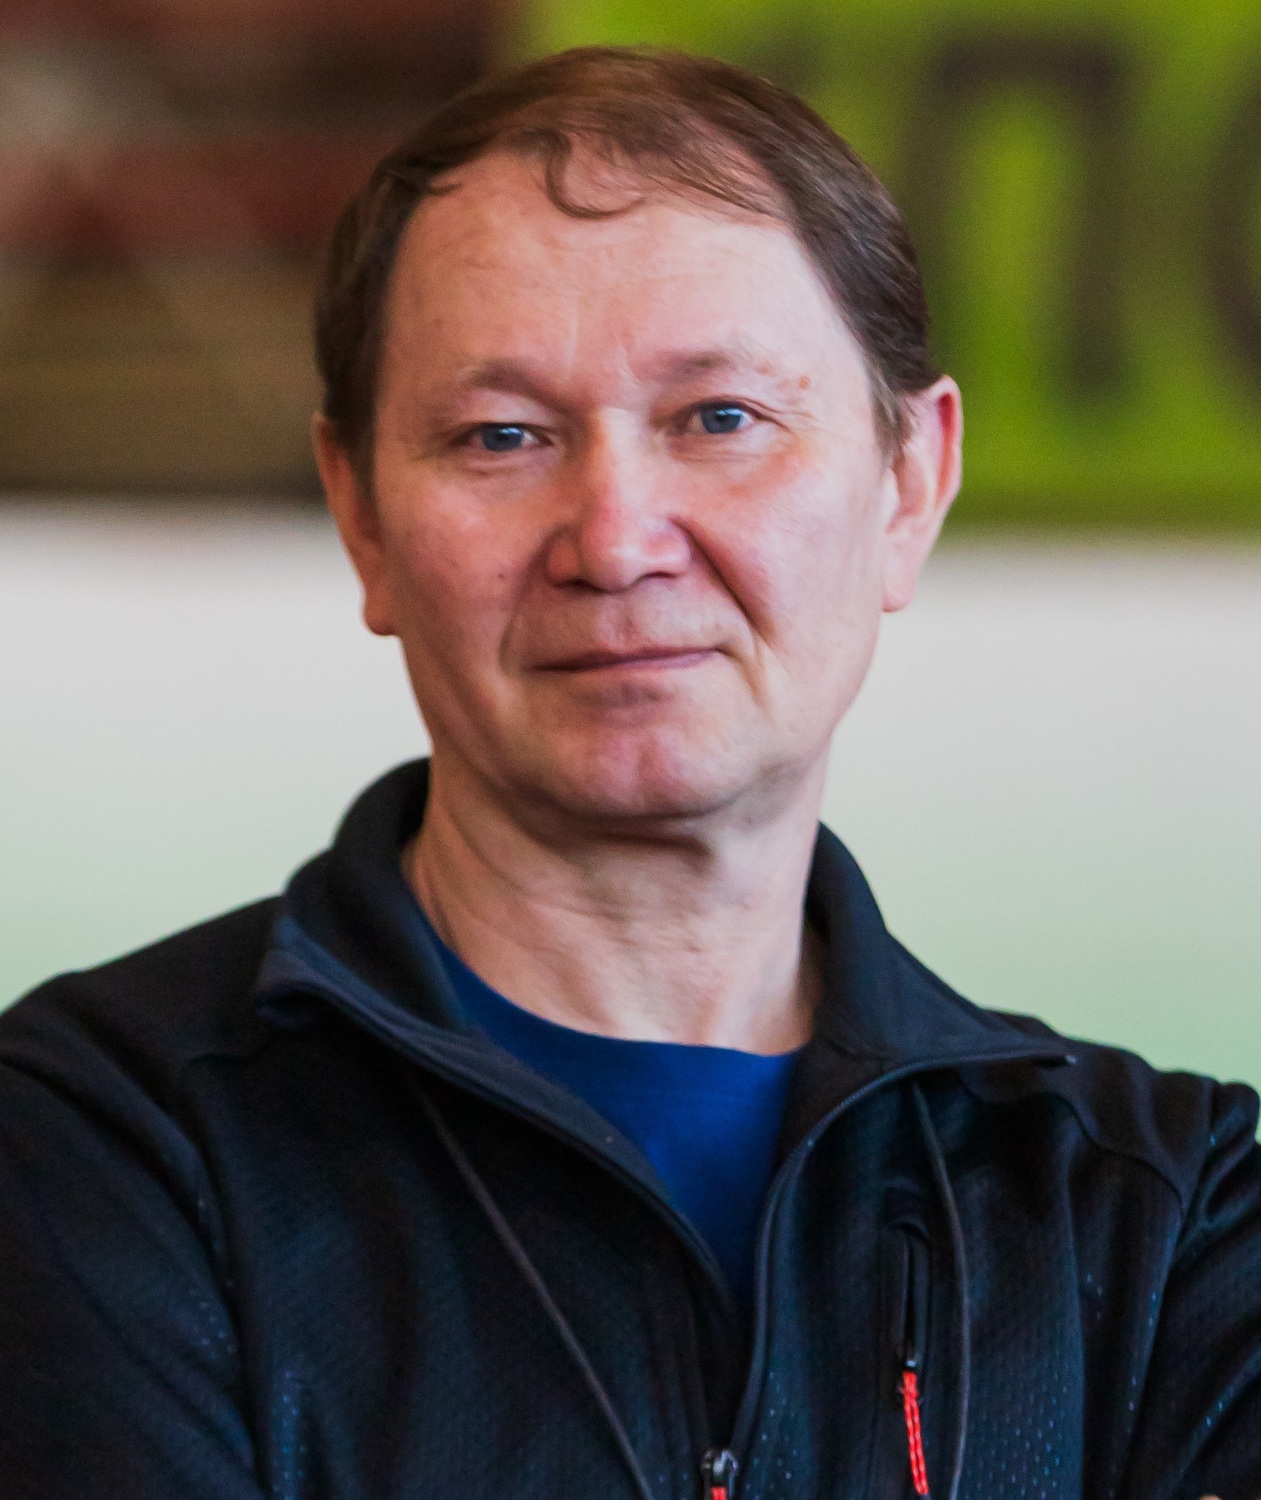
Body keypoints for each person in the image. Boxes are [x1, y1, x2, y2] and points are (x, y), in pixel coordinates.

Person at [0, 46, 1257, 1500]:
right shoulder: (103, 1144)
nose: (614, 540)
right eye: (502, 436)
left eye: (719, 419)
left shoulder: (1160, 1211)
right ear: (361, 517)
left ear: (910, 482)